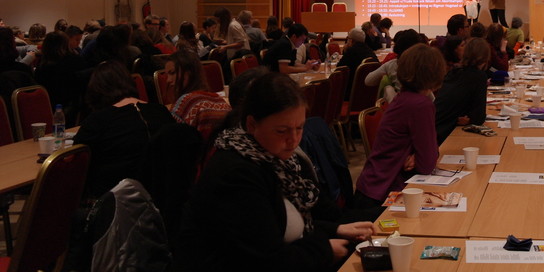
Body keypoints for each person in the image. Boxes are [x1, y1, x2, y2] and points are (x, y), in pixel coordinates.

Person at [178, 72, 376, 271]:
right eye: (282, 131)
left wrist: (337, 229)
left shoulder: (276, 157)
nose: (293, 139)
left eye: (299, 128)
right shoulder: (235, 173)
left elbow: (291, 223)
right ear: (252, 125)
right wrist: (324, 250)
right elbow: (264, 259)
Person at [353, 44, 445, 207]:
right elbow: (427, 164)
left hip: (371, 186)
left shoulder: (403, 98)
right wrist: (422, 156)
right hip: (383, 194)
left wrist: (417, 155)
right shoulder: (420, 105)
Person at [74, 60, 175, 198]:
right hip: (165, 195)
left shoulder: (97, 121)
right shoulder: (161, 111)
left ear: (96, 90)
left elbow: (76, 164)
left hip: (115, 201)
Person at [434, 37, 490, 143]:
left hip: (435, 127)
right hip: (445, 133)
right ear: (485, 57)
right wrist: (471, 119)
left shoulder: (454, 72)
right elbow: (479, 118)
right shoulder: (479, 76)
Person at [169, 50, 231, 135]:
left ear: (188, 73)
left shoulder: (185, 102)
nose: (168, 80)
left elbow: (173, 137)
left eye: (172, 73)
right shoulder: (219, 99)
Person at [364, 28, 422, 102]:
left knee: (388, 88)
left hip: (399, 105)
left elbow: (368, 81)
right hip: (423, 105)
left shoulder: (392, 64)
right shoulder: (424, 64)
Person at [336, 28, 376, 93]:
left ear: (351, 40)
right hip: (369, 91)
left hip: (351, 90)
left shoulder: (352, 51)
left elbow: (339, 68)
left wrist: (346, 51)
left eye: (348, 38)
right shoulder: (370, 51)